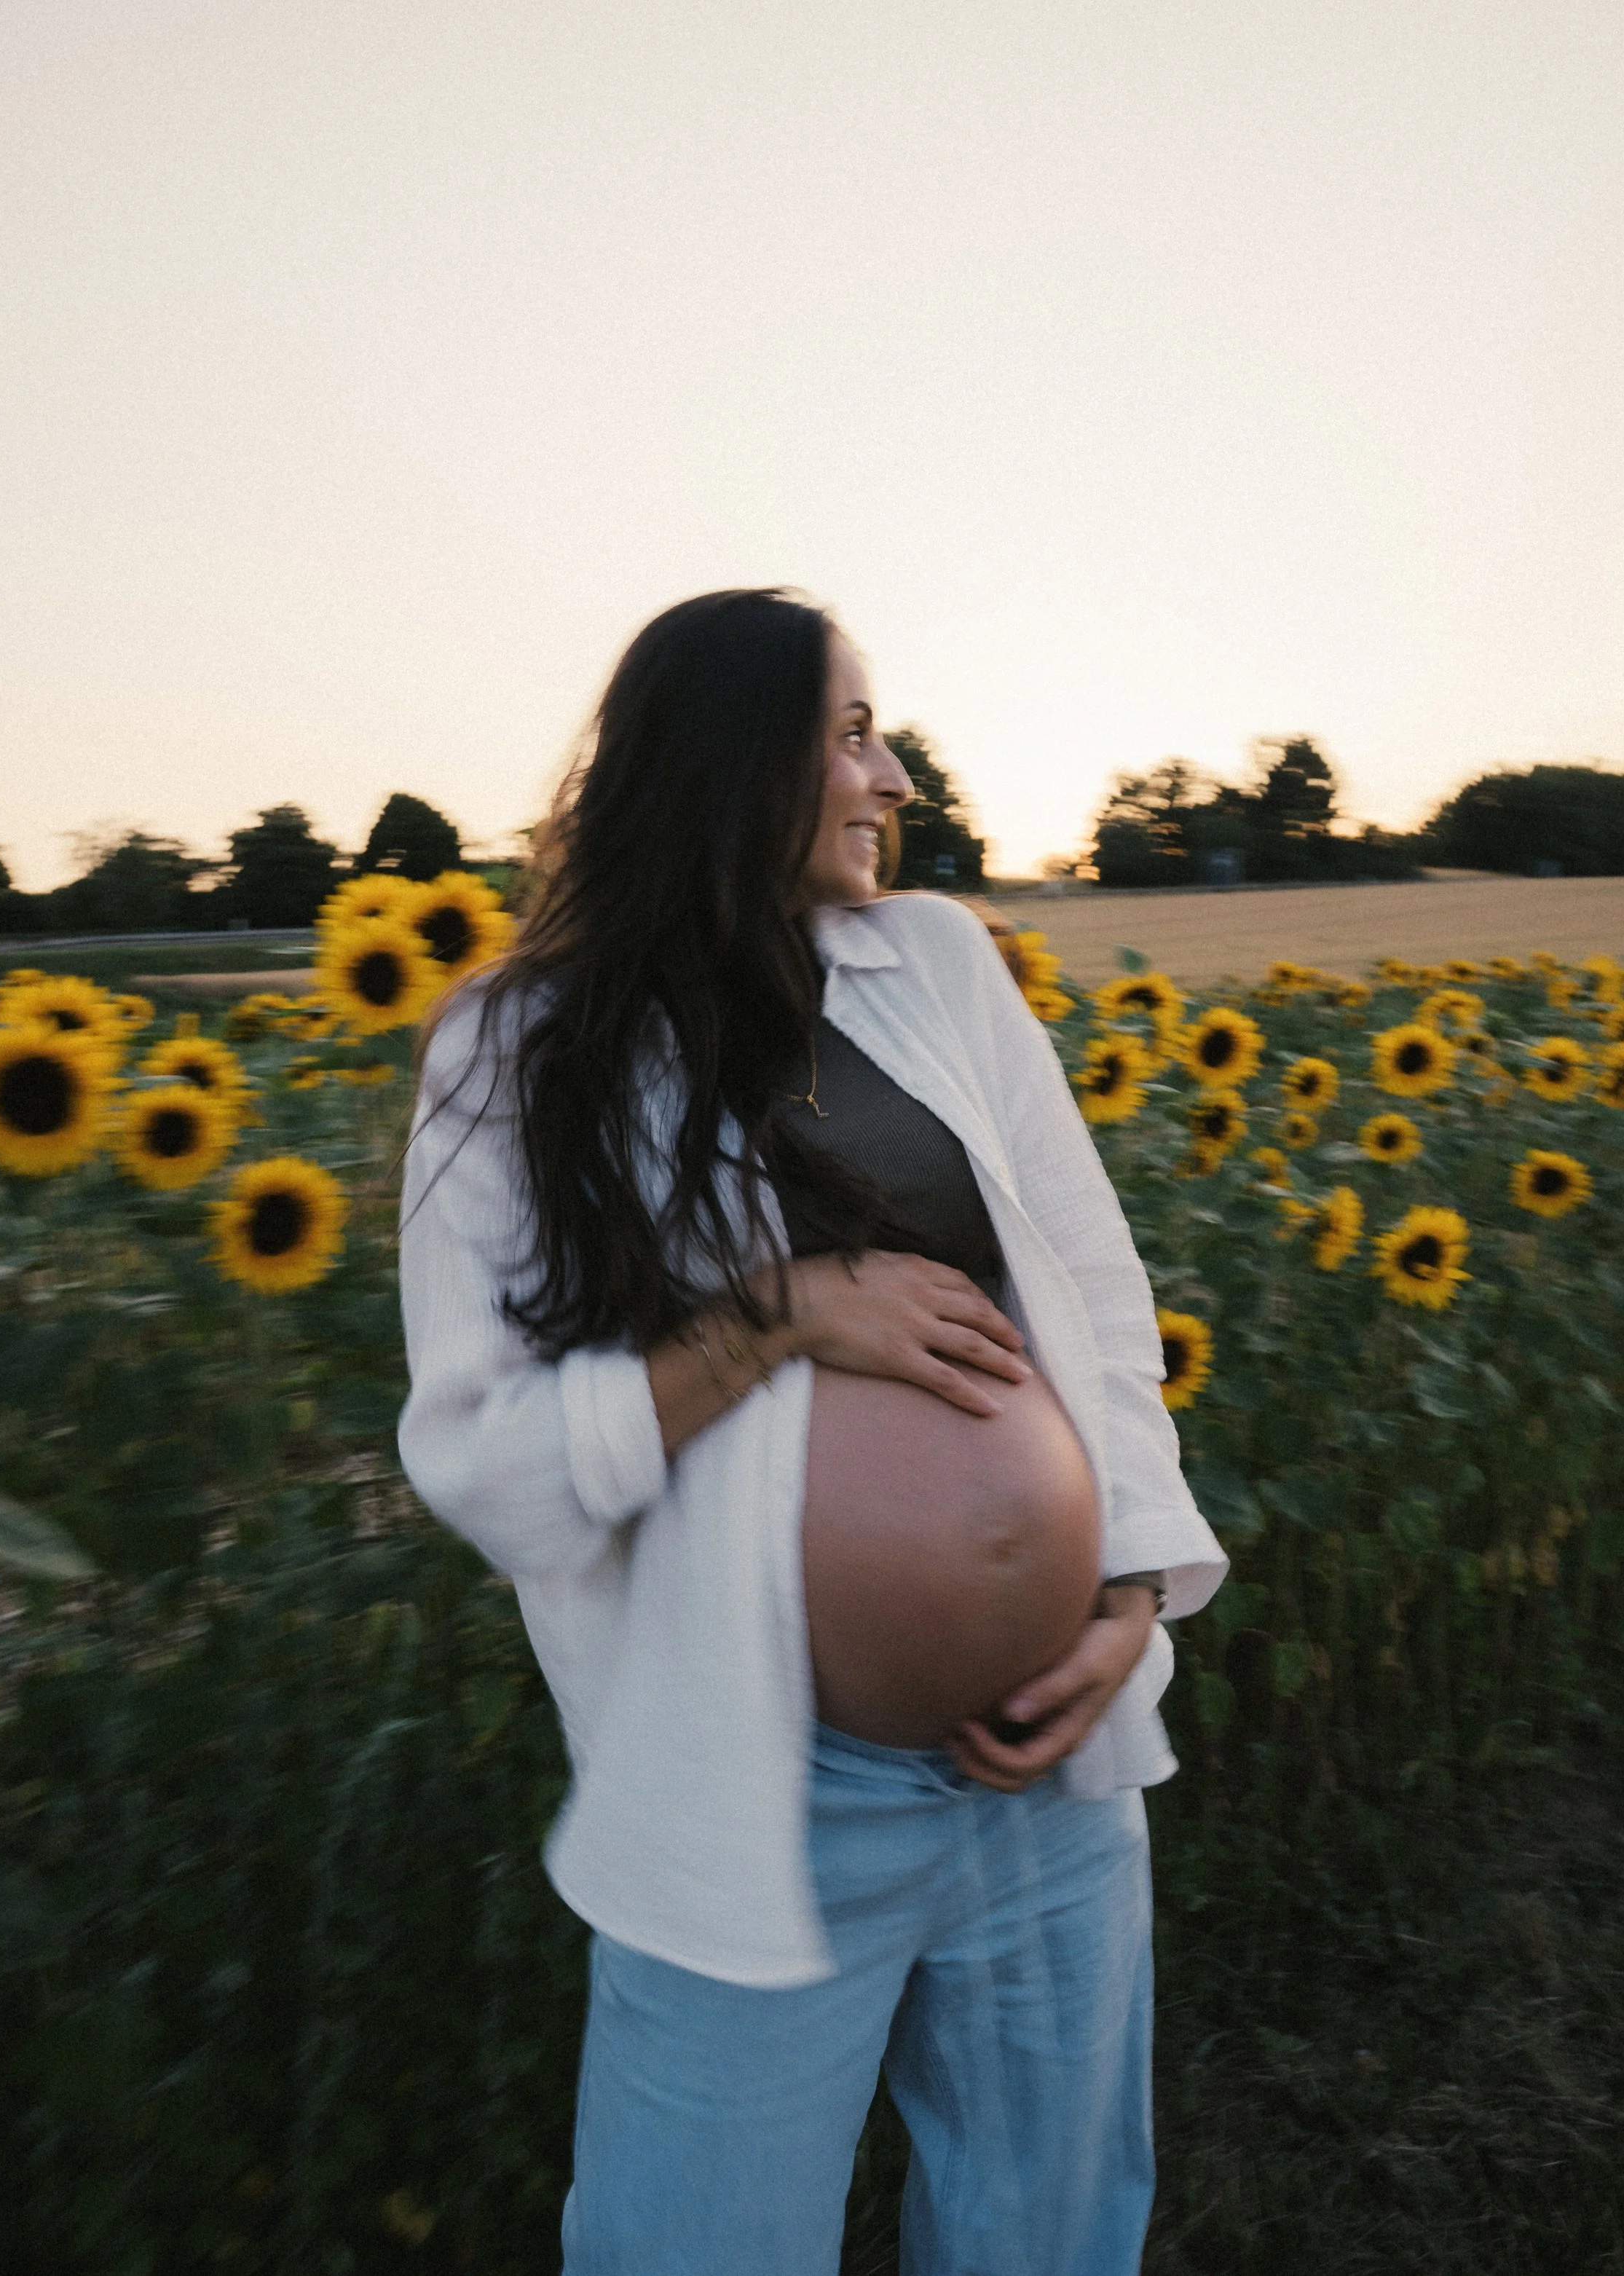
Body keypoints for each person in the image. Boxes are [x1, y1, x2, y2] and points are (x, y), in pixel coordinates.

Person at [398, 588, 1227, 2274]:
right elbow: (489, 1464)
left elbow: (1088, 1284)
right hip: (767, 1777)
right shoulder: (516, 1045)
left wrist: (1126, 1589)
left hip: (1047, 1748)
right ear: (729, 761)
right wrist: (778, 1316)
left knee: (1050, 2233)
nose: (896, 775)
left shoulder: (933, 966)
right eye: (852, 733)